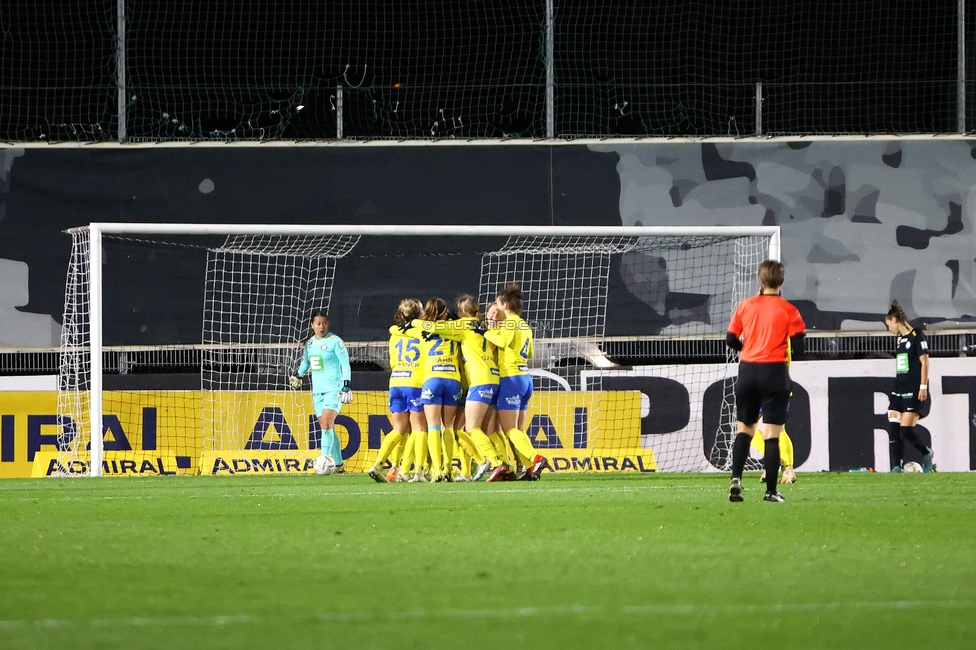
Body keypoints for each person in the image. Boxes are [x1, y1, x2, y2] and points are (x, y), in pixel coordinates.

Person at [726, 260, 806, 503]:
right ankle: (771, 491)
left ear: (760, 281)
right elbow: (800, 349)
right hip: (774, 372)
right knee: (772, 434)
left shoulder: (745, 306)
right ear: (781, 282)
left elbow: (730, 339)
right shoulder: (789, 310)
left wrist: (747, 347)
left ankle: (736, 479)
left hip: (748, 371)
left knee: (744, 429)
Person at [484, 283, 549, 482]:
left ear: (503, 304)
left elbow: (502, 342)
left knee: (510, 429)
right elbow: (529, 352)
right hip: (525, 378)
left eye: (497, 302)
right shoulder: (524, 325)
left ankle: (535, 458)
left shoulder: (511, 323)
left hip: (511, 378)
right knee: (517, 430)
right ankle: (529, 468)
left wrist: (487, 332)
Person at [367, 299, 427, 483]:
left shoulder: (395, 334)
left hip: (396, 381)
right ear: (418, 314)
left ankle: (377, 465)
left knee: (399, 429)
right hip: (414, 381)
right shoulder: (423, 333)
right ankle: (412, 471)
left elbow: (392, 362)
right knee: (420, 429)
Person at [290, 309, 353, 474]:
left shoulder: (335, 342)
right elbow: (306, 362)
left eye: (324, 323)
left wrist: (346, 384)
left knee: (326, 423)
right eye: (318, 323)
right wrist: (298, 374)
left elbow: (345, 364)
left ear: (328, 324)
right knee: (327, 427)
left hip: (334, 389)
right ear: (312, 325)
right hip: (317, 391)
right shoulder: (309, 343)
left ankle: (324, 460)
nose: (321, 326)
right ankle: (339, 465)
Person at [884, 301, 935, 473]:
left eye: (888, 324)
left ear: (894, 319)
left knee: (905, 429)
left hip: (913, 389)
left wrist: (923, 386)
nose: (888, 328)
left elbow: (925, 362)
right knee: (893, 427)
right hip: (898, 389)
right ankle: (895, 467)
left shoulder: (917, 335)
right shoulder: (900, 340)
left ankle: (926, 453)